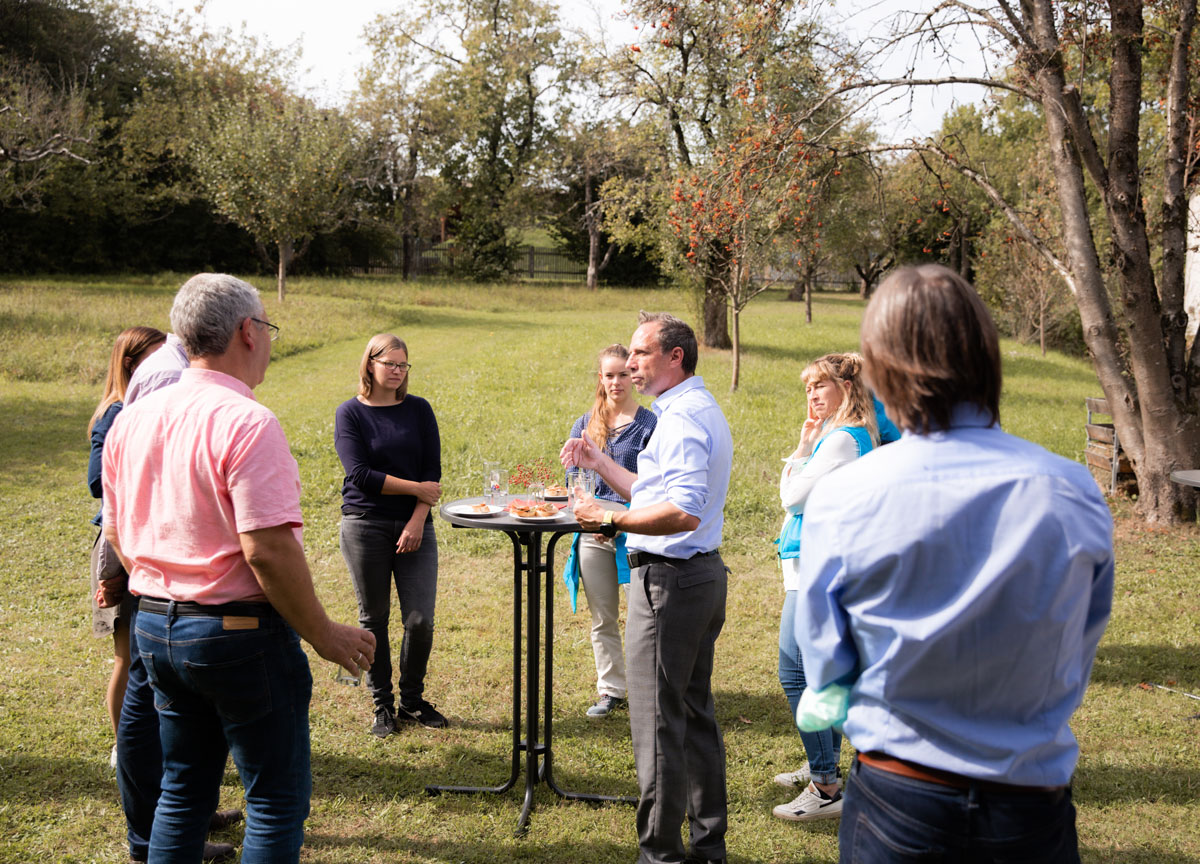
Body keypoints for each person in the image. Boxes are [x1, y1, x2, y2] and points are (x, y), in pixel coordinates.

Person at [795, 264, 1114, 863]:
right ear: (986, 357)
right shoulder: (1071, 489)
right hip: (1029, 797)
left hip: (900, 793)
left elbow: (827, 663)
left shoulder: (846, 495)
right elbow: (1078, 644)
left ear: (881, 372)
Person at [102, 273, 376, 863]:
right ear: (248, 332)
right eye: (268, 329)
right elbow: (267, 551)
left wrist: (164, 589)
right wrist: (325, 635)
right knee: (274, 801)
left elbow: (120, 534)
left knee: (181, 788)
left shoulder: (132, 418)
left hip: (155, 625)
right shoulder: (248, 422)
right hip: (238, 635)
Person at [565, 311, 733, 864]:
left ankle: (659, 855)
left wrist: (609, 521)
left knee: (658, 728)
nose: (630, 364)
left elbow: (681, 511)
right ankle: (708, 847)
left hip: (669, 584)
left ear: (674, 357)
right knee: (694, 717)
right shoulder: (690, 409)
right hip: (698, 577)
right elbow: (652, 490)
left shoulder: (681, 420)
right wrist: (598, 463)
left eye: (640, 354)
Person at [99, 318, 241, 864]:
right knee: (150, 700)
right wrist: (128, 565)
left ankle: (186, 818)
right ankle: (149, 834)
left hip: (158, 554)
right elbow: (118, 482)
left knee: (168, 699)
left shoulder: (173, 368)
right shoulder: (167, 375)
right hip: (157, 559)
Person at [771, 352, 877, 823]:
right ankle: (824, 763)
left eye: (821, 386)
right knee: (819, 672)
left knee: (796, 671)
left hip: (818, 567)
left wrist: (800, 449)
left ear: (847, 390)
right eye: (808, 387)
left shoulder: (840, 442)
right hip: (815, 564)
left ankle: (826, 785)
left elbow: (791, 497)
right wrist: (806, 442)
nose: (812, 395)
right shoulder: (838, 437)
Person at [335, 333, 445, 737]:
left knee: (420, 620)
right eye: (390, 364)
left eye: (403, 365)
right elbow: (360, 475)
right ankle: (382, 704)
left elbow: (431, 473)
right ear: (370, 365)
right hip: (365, 525)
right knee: (374, 618)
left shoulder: (418, 410)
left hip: (416, 526)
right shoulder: (350, 413)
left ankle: (412, 701)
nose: (397, 371)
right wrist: (416, 489)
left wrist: (418, 518)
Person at [562, 344, 657, 719]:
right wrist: (593, 517)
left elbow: (653, 487)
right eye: (609, 375)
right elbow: (573, 477)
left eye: (623, 374)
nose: (616, 381)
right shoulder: (586, 424)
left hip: (638, 531)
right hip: (591, 531)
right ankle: (611, 689)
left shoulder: (650, 425)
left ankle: (647, 688)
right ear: (600, 379)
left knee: (643, 618)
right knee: (602, 616)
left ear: (633, 376)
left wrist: (615, 522)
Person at [87, 326, 166, 763]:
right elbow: (98, 480)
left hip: (147, 538)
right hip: (121, 545)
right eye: (157, 358)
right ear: (134, 364)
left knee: (144, 657)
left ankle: (147, 744)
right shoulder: (118, 412)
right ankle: (127, 746)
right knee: (129, 656)